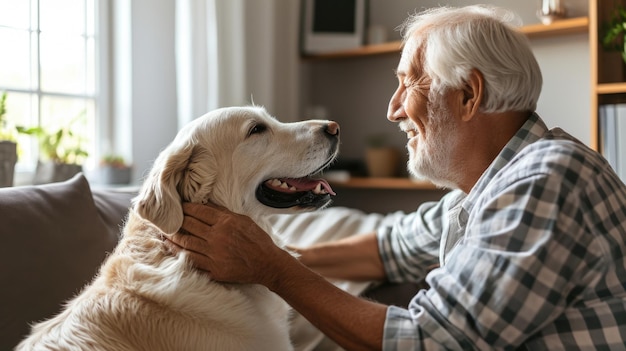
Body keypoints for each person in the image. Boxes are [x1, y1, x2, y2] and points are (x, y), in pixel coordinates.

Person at [167, 5, 626, 350]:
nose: (392, 108)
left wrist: (270, 267)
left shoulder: (545, 180)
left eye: (409, 83)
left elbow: (427, 340)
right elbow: (393, 247)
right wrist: (244, 257)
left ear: (469, 95)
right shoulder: (487, 190)